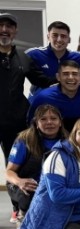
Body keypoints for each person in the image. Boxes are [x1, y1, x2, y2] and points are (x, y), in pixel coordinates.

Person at [6, 105, 68, 226]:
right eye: (43, 119)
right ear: (36, 123)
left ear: (60, 122)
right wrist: (19, 182)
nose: (49, 122)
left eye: (53, 118)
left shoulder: (69, 141)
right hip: (27, 185)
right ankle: (23, 215)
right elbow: (9, 172)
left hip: (54, 185)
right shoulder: (24, 140)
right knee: (29, 193)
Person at [27, 60, 80, 131]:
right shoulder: (44, 97)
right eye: (66, 74)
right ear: (58, 77)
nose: (71, 77)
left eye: (75, 74)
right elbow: (31, 123)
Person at [25, 21, 80, 100]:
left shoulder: (79, 58)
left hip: (67, 103)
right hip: (39, 103)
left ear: (69, 39)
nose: (59, 39)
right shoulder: (33, 54)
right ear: (48, 37)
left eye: (63, 36)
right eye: (55, 35)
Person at [0, 12, 32, 163]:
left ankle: (13, 187)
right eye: (1, 25)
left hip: (15, 124)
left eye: (9, 26)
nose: (4, 29)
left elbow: (42, 80)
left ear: (15, 31)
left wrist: (64, 80)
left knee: (15, 164)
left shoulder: (23, 57)